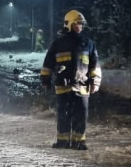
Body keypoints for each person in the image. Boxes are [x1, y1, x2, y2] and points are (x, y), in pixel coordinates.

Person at [40, 10, 101, 150]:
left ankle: (79, 142)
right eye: (76, 24)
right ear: (68, 24)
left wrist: (95, 81)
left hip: (82, 86)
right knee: (63, 115)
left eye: (80, 24)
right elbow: (48, 62)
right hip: (63, 86)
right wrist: (45, 78)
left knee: (81, 115)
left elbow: (95, 65)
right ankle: (63, 141)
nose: (79, 26)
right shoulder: (58, 44)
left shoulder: (88, 44)